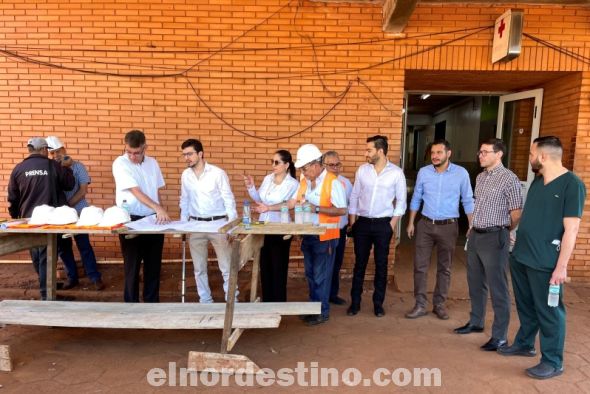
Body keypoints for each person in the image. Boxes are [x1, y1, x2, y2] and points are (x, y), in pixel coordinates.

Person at [498, 136, 586, 380]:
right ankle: (525, 344)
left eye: (531, 153)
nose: (529, 158)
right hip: (522, 257)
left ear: (543, 156)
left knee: (550, 312)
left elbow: (572, 229)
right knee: (526, 306)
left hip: (546, 262)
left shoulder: (572, 185)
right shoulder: (538, 182)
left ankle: (553, 361)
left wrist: (561, 267)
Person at [454, 138, 522, 352]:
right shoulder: (481, 177)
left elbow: (516, 212)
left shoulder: (509, 179)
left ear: (498, 154)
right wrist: (472, 226)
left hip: (495, 237)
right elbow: (478, 205)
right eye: (479, 152)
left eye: (485, 152)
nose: (480, 155)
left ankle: (500, 337)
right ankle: (476, 322)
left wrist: (504, 231)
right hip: (475, 235)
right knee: (475, 282)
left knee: (498, 287)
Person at [405, 139, 474, 320]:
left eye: (439, 153)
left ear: (448, 153)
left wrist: (471, 225)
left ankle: (439, 304)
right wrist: (411, 222)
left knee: (445, 267)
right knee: (420, 266)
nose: (435, 156)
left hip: (449, 226)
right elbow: (416, 198)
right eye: (433, 153)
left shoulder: (461, 173)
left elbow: (467, 200)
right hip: (425, 225)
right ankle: (420, 304)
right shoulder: (424, 172)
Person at [7, 137, 75, 300]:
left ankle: (46, 286)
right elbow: (69, 184)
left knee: (36, 255)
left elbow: (12, 198)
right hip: (49, 220)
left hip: (29, 220)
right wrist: (67, 168)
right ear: (44, 149)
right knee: (46, 256)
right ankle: (47, 295)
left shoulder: (18, 169)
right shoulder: (53, 165)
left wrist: (16, 217)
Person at [348, 135, 407, 318]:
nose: (366, 153)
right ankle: (355, 303)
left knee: (381, 265)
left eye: (369, 150)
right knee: (360, 264)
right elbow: (355, 196)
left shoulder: (396, 173)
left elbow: (401, 201)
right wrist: (353, 223)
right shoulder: (362, 170)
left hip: (383, 224)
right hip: (363, 223)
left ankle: (378, 304)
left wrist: (391, 225)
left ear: (380, 151)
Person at [289, 144, 347, 326]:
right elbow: (298, 202)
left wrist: (317, 208)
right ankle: (312, 309)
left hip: (326, 237)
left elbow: (342, 210)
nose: (303, 172)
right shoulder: (305, 181)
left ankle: (322, 312)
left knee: (321, 276)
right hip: (308, 235)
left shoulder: (332, 182)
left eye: (304, 168)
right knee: (311, 274)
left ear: (315, 164)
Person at [113, 130, 170, 303]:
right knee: (132, 265)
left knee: (153, 265)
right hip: (131, 219)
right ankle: (131, 306)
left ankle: (152, 304)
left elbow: (156, 190)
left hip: (152, 219)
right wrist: (159, 208)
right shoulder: (120, 163)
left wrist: (161, 212)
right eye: (129, 151)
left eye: (136, 153)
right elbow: (135, 191)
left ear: (145, 147)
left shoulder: (153, 163)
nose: (132, 156)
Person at [180, 138, 238, 303]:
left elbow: (229, 199)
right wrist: (184, 225)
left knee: (226, 267)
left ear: (200, 153)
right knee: (199, 269)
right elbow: (184, 200)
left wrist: (231, 226)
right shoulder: (185, 175)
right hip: (195, 225)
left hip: (218, 224)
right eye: (184, 155)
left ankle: (232, 301)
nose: (187, 158)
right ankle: (205, 301)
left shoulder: (217, 173)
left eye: (190, 154)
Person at [46, 136, 105, 291]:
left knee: (84, 245)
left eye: (58, 151)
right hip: (60, 216)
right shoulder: (50, 170)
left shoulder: (78, 167)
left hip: (79, 212)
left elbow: (83, 190)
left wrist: (68, 206)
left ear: (64, 149)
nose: (56, 155)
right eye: (52, 153)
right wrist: (63, 210)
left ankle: (94, 277)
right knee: (63, 248)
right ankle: (72, 277)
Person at [243, 150, 299, 302]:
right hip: (263, 226)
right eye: (272, 162)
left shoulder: (293, 184)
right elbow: (259, 199)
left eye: (277, 162)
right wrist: (251, 187)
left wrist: (269, 208)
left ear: (286, 165)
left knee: (278, 267)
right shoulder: (268, 178)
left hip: (281, 228)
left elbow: (290, 205)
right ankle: (267, 301)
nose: (273, 165)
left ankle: (279, 303)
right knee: (265, 265)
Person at [323, 151, 353, 306]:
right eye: (331, 165)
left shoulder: (345, 183)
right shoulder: (319, 182)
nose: (335, 167)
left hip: (339, 230)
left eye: (337, 164)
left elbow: (350, 205)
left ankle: (332, 294)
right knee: (322, 265)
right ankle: (320, 295)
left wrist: (349, 229)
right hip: (322, 231)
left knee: (336, 263)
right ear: (323, 165)